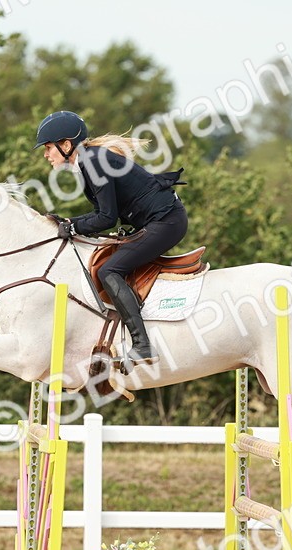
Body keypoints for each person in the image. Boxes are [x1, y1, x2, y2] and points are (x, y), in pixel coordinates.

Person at [34, 110, 188, 366]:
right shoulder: (88, 160)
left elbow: (107, 218)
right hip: (159, 220)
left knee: (109, 270)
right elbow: (102, 214)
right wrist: (70, 222)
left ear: (66, 146)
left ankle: (142, 345)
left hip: (166, 222)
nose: (45, 154)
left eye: (48, 147)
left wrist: (73, 227)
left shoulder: (93, 163)